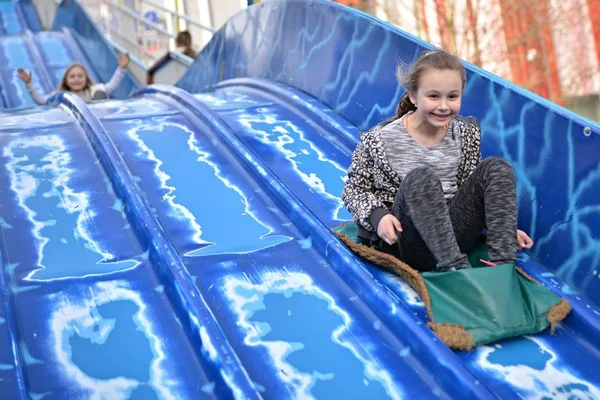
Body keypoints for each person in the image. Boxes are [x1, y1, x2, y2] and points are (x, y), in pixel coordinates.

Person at [341, 49, 534, 272]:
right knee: (421, 178)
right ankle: (455, 271)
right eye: (433, 96)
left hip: (454, 234)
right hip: (410, 240)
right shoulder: (379, 140)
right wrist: (379, 217)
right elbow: (354, 190)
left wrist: (500, 227)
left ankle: (502, 261)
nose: (443, 105)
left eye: (452, 96)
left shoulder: (464, 134)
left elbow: (470, 188)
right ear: (413, 95)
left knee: (496, 168)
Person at [17, 53, 130, 105]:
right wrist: (29, 83)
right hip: (72, 128)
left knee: (101, 92)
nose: (76, 79)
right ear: (66, 80)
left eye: (80, 76)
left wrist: (121, 69)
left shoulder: (93, 91)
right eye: (72, 76)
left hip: (95, 123)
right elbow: (41, 100)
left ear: (86, 79)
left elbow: (111, 86)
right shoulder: (61, 95)